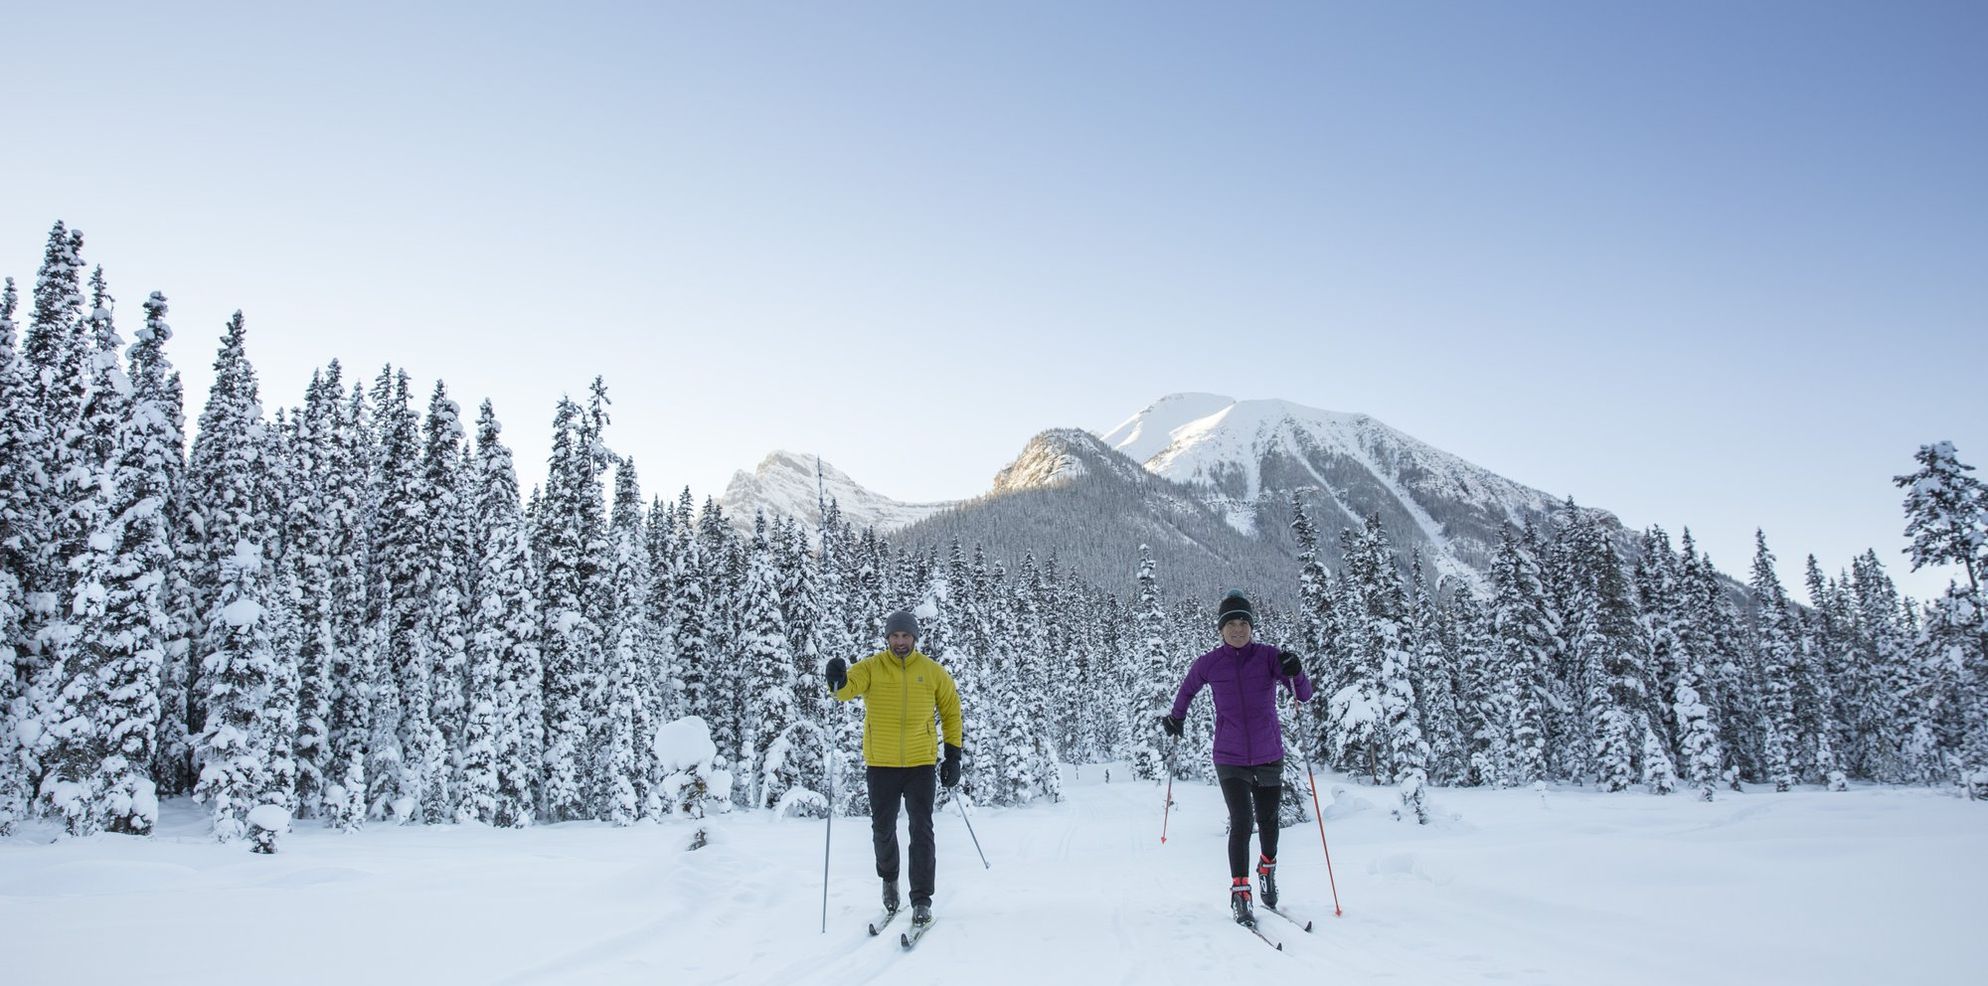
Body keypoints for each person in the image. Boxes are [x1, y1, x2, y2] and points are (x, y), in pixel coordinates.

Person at [1160, 589, 1313, 926]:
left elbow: (1302, 693)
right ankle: (1240, 892)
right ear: (1221, 629)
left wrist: (1296, 670)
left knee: (1269, 821)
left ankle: (1267, 868)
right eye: (1231, 623)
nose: (1238, 629)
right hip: (1228, 756)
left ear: (1251, 626)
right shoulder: (1209, 664)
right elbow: (1187, 688)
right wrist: (1176, 717)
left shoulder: (1270, 657)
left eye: (1244, 622)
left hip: (1268, 753)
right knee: (1242, 820)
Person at [825, 609, 963, 929]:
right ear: (887, 638)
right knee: (883, 829)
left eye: (905, 636)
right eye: (894, 636)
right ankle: (889, 879)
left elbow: (951, 711)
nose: (900, 641)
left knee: (921, 829)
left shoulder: (932, 672)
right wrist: (837, 678)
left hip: (920, 762)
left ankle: (922, 900)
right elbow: (845, 691)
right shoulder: (872, 667)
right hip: (881, 763)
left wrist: (953, 756)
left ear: (915, 637)